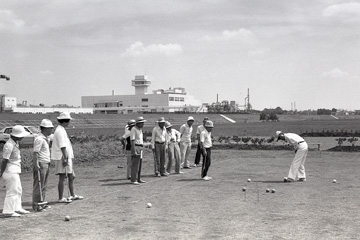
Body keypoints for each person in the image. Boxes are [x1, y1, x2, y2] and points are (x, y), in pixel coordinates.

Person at [51, 112, 84, 203]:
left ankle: (72, 195)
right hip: (62, 156)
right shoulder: (59, 131)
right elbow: (62, 146)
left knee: (71, 176)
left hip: (66, 156)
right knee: (62, 177)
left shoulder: (62, 129)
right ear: (66, 121)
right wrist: (65, 158)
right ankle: (61, 198)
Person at [0, 125, 30, 217]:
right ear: (16, 135)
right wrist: (1, 172)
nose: (23, 137)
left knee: (18, 190)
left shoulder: (15, 143)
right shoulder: (9, 145)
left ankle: (17, 207)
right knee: (12, 191)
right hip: (10, 171)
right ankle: (8, 211)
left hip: (15, 170)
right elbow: (4, 160)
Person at [32, 119, 54, 211]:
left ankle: (42, 203)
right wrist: (36, 164)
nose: (52, 130)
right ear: (45, 129)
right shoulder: (39, 139)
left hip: (46, 163)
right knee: (39, 185)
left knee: (44, 185)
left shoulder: (45, 138)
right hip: (41, 163)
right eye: (50, 128)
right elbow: (35, 153)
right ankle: (36, 205)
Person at [130, 116, 147, 185]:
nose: (143, 124)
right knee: (135, 164)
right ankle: (133, 179)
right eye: (141, 123)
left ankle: (138, 178)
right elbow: (133, 140)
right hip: (136, 146)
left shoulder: (140, 130)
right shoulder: (133, 129)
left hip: (140, 147)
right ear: (138, 123)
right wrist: (134, 150)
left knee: (139, 164)